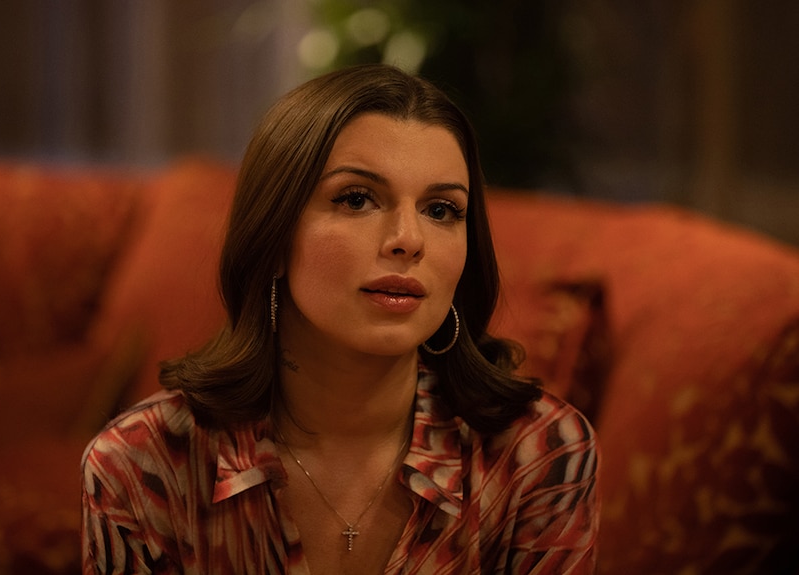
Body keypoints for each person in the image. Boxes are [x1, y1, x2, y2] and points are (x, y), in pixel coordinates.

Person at [81, 63, 599, 574]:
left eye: (441, 210)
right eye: (357, 199)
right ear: (275, 237)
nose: (408, 239)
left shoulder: (539, 454)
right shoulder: (142, 462)